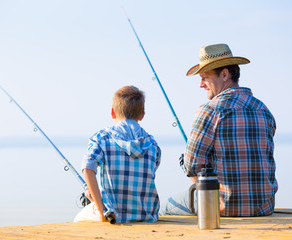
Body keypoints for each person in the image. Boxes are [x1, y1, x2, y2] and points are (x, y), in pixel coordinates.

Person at [160, 43, 278, 217]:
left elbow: (191, 167)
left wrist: (183, 161)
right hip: (264, 208)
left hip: (222, 207)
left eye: (204, 77)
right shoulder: (264, 110)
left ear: (224, 74)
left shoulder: (210, 110)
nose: (201, 84)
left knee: (162, 209)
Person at [74, 85, 161, 223]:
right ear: (142, 115)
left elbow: (88, 168)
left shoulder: (102, 137)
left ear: (113, 113)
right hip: (146, 216)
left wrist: (101, 208)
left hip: (113, 215)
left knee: (78, 219)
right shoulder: (153, 144)